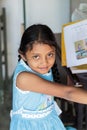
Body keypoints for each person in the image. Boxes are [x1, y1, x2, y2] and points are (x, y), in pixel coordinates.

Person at [10, 24, 87, 130]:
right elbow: (68, 93)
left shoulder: (39, 67)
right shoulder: (24, 79)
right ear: (23, 55)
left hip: (49, 121)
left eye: (50, 55)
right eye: (36, 56)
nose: (44, 62)